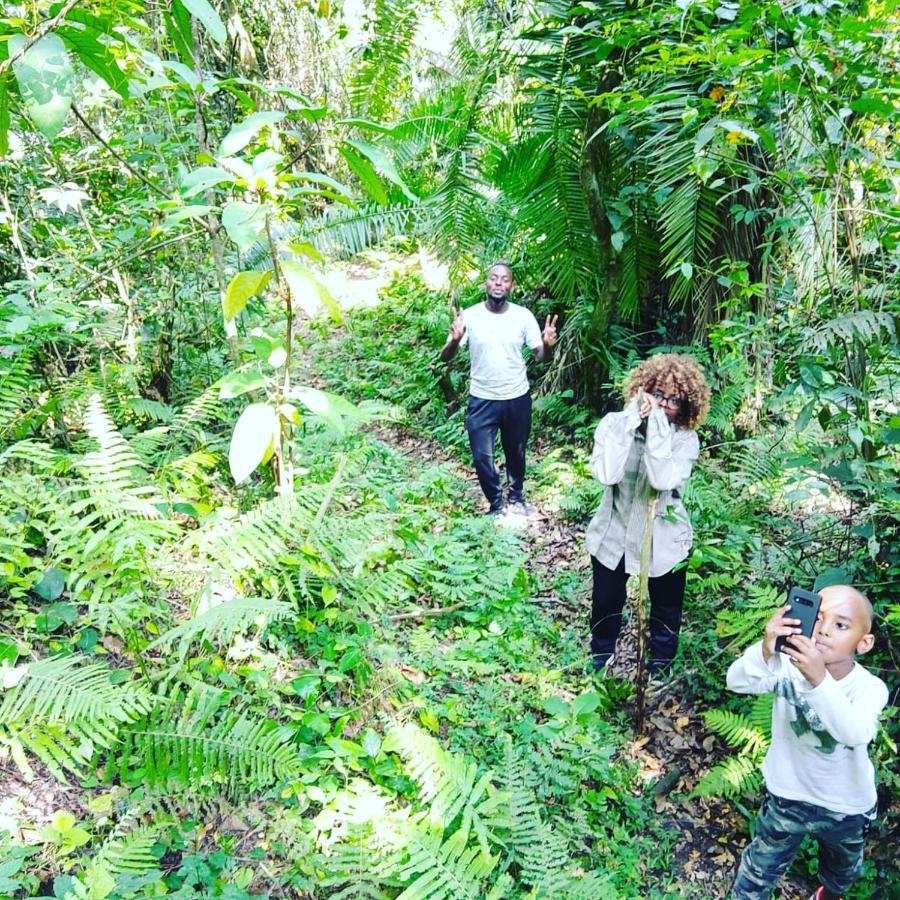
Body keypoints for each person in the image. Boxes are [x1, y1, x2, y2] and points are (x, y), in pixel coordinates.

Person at [727, 585, 888, 900]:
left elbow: (854, 732)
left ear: (864, 642)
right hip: (788, 795)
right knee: (758, 870)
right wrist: (766, 649)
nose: (824, 631)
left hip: (847, 806)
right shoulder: (787, 666)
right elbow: (737, 681)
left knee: (842, 873)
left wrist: (819, 679)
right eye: (819, 618)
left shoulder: (870, 688)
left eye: (841, 625)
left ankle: (827, 895)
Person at [586, 353, 710, 674]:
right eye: (657, 394)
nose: (663, 404)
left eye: (673, 400)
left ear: (685, 406)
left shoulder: (685, 441)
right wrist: (629, 424)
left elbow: (662, 478)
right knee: (605, 600)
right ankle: (601, 655)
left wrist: (657, 429)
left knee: (666, 608)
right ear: (641, 391)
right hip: (613, 532)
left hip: (666, 539)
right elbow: (606, 473)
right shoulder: (615, 424)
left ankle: (660, 663)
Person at [440, 263, 558, 515]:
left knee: (516, 451)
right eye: (493, 278)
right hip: (482, 399)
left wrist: (548, 345)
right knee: (482, 456)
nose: (498, 283)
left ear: (511, 286)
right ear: (486, 283)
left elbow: (541, 357)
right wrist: (456, 339)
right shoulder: (469, 316)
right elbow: (445, 356)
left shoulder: (522, 316)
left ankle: (516, 498)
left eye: (504, 280)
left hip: (516, 397)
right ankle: (495, 504)